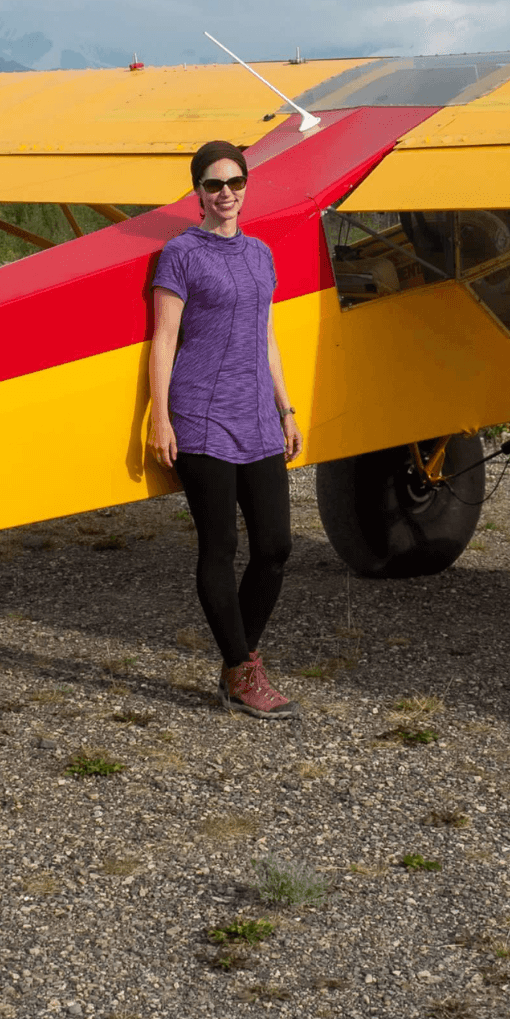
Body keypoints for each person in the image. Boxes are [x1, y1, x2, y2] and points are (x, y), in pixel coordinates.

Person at [147, 140, 302, 719]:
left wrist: (286, 408)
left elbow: (266, 334)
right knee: (221, 546)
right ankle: (242, 671)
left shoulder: (261, 253)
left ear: (245, 185)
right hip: (201, 416)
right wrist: (160, 416)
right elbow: (165, 340)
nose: (226, 194)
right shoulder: (180, 254)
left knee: (276, 547)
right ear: (198, 193)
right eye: (214, 185)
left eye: (235, 182)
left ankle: (239, 664)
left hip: (259, 415)